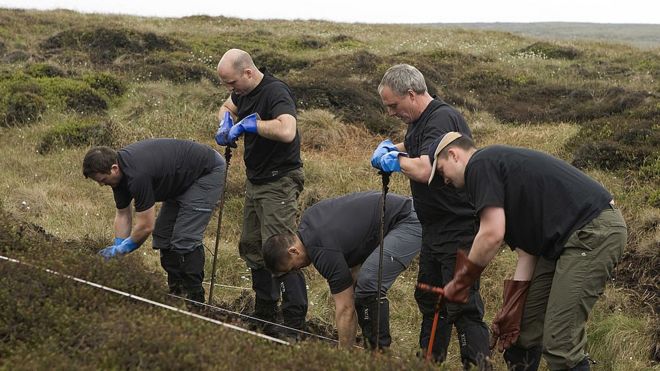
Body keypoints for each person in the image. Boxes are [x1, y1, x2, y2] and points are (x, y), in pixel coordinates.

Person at [428, 132, 627, 371]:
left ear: (454, 154)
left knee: (561, 344)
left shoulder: (480, 165)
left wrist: (461, 282)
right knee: (520, 333)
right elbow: (527, 253)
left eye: (441, 171)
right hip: (560, 244)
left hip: (592, 232)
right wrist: (512, 308)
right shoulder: (496, 174)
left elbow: (491, 234)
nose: (445, 181)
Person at [370, 64, 490, 368]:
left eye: (394, 105)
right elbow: (416, 145)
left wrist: (395, 160)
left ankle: (477, 366)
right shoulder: (420, 121)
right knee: (430, 298)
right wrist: (390, 147)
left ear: (411, 94)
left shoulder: (442, 118)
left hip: (458, 228)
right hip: (434, 229)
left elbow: (425, 168)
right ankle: (429, 362)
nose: (391, 113)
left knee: (461, 303)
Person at [214, 48, 307, 336]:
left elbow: (287, 130)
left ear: (248, 73)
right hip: (256, 181)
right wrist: (225, 122)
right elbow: (228, 106)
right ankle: (265, 313)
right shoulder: (241, 92)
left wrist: (253, 125)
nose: (231, 90)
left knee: (282, 250)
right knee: (253, 246)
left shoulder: (276, 92)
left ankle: (293, 326)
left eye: (232, 83)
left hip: (280, 180)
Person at [261, 191, 421, 349]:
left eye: (293, 267)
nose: (298, 270)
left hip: (409, 219)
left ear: (293, 251)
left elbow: (345, 309)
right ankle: (370, 349)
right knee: (360, 284)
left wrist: (341, 357)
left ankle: (378, 356)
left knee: (368, 285)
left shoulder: (322, 251)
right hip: (405, 209)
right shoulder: (309, 219)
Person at [82, 138, 226, 306]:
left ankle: (196, 301)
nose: (101, 185)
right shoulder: (119, 176)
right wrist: (118, 247)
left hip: (206, 172)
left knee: (185, 239)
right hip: (180, 177)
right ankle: (177, 294)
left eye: (102, 180)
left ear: (114, 169)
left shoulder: (137, 175)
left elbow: (145, 226)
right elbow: (123, 214)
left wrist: (124, 249)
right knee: (163, 236)